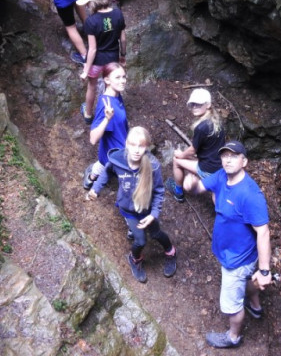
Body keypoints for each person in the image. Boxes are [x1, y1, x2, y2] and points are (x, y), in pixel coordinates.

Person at [195, 140, 271, 349]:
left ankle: (233, 336)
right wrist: (189, 182)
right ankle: (255, 305)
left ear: (244, 161)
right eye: (225, 156)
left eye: (234, 156)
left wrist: (265, 270)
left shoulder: (250, 194)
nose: (227, 160)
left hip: (237, 259)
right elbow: (201, 185)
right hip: (234, 250)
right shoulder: (221, 175)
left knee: (231, 305)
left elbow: (263, 231)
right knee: (246, 280)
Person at [86, 126, 177, 283]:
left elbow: (159, 191)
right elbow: (106, 172)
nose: (136, 150)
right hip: (129, 210)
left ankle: (171, 252)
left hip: (147, 209)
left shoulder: (152, 166)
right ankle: (135, 259)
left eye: (141, 146)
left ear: (147, 147)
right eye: (133, 145)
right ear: (127, 144)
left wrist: (153, 214)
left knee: (156, 233)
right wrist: (95, 189)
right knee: (140, 241)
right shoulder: (118, 160)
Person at [165, 88, 225, 203]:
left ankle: (178, 192)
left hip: (208, 168)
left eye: (199, 104)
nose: (195, 107)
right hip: (219, 165)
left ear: (208, 105)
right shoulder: (217, 121)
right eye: (193, 104)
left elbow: (192, 150)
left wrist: (181, 155)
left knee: (176, 160)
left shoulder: (201, 128)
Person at [77, 0, 126, 124]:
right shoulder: (118, 14)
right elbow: (123, 38)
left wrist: (85, 71)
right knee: (111, 87)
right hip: (113, 59)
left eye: (87, 3)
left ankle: (88, 115)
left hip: (97, 62)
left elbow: (92, 49)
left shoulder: (91, 21)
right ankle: (111, 113)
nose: (86, 6)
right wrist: (123, 55)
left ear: (93, 3)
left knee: (92, 86)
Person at [83, 62, 128, 191]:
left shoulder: (117, 95)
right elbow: (93, 139)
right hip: (114, 152)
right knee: (106, 164)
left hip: (121, 146)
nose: (122, 81)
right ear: (107, 80)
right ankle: (91, 178)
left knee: (103, 164)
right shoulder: (105, 104)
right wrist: (107, 119)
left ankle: (91, 178)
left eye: (124, 77)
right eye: (117, 77)